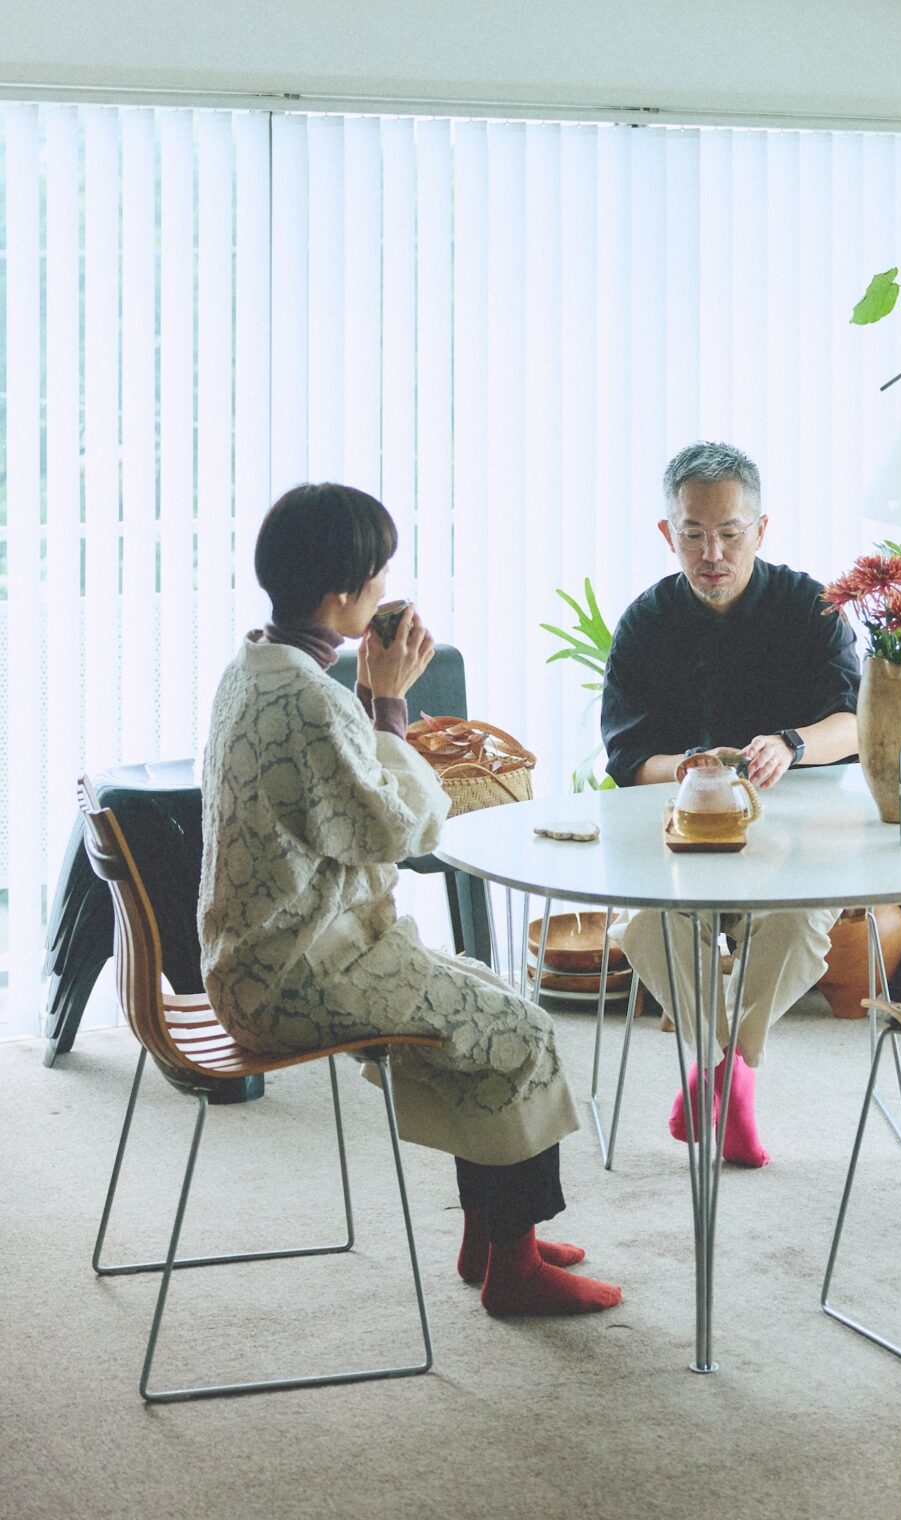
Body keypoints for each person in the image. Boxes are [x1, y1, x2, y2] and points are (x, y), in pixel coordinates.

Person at [199, 483, 621, 1319]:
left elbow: (334, 800)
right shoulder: (310, 700)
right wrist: (388, 700)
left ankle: (493, 1236)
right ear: (343, 591)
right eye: (379, 572)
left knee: (490, 995)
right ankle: (516, 1270)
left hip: (262, 957)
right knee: (521, 1031)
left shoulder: (256, 664)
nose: (386, 587)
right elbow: (402, 830)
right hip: (300, 974)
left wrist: (368, 701)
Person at [600, 442, 860, 1167]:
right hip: (686, 834)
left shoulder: (811, 607)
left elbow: (855, 718)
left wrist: (793, 746)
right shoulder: (646, 622)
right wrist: (681, 768)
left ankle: (722, 1073)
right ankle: (729, 1071)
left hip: (796, 833)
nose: (711, 552)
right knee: (647, 931)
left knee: (802, 925)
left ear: (762, 528)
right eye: (693, 534)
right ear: (667, 534)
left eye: (730, 533)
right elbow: (627, 757)